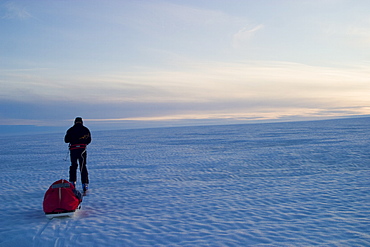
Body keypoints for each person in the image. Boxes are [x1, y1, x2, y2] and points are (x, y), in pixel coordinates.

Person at [64, 117, 91, 192]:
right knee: (83, 166)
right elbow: (89, 140)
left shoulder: (70, 130)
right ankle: (85, 184)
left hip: (73, 150)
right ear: (81, 122)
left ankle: (73, 183)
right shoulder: (86, 130)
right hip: (82, 150)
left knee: (73, 166)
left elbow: (66, 140)